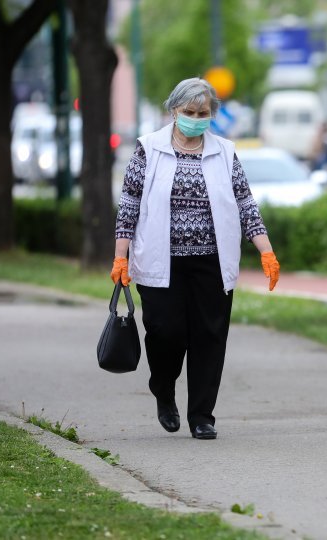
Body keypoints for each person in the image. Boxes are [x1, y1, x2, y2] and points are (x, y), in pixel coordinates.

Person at [110, 78, 280, 441]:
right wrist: (120, 258)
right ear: (174, 110)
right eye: (190, 112)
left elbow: (246, 204)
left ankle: (202, 415)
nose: (196, 119)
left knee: (209, 337)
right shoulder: (148, 148)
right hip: (161, 262)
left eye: (203, 113)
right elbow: (129, 205)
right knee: (165, 333)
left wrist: (266, 250)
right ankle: (163, 389)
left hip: (212, 262)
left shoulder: (225, 152)